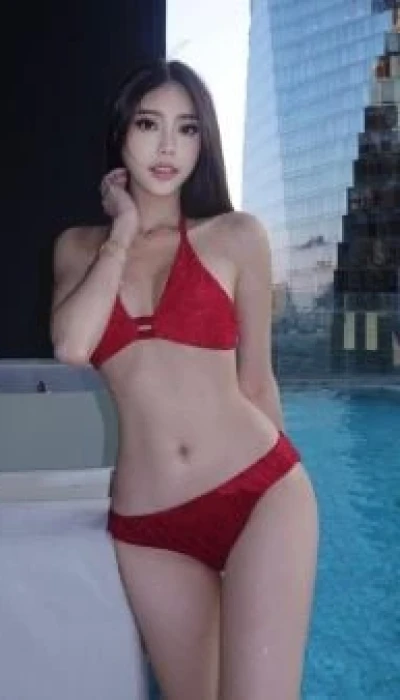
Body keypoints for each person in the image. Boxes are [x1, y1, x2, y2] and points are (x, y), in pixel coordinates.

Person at [50, 59, 319, 700]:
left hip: (260, 494)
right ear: (122, 133)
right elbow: (73, 346)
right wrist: (121, 232)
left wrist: (285, 538)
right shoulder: (80, 249)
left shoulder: (237, 236)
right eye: (150, 124)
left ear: (204, 143)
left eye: (188, 128)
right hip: (151, 528)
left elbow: (258, 382)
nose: (168, 147)